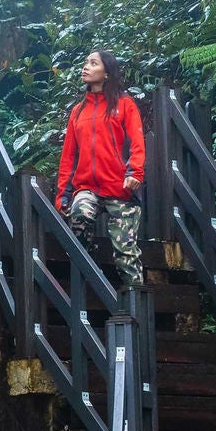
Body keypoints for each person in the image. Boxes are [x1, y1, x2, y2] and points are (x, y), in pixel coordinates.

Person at [56, 49, 145, 291]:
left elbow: (137, 142)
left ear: (106, 73)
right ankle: (92, 269)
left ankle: (138, 304)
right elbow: (68, 157)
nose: (85, 67)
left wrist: (135, 173)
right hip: (87, 187)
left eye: (93, 63)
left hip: (120, 188)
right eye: (85, 63)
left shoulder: (124, 104)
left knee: (126, 255)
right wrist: (63, 194)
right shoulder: (78, 111)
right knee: (80, 217)